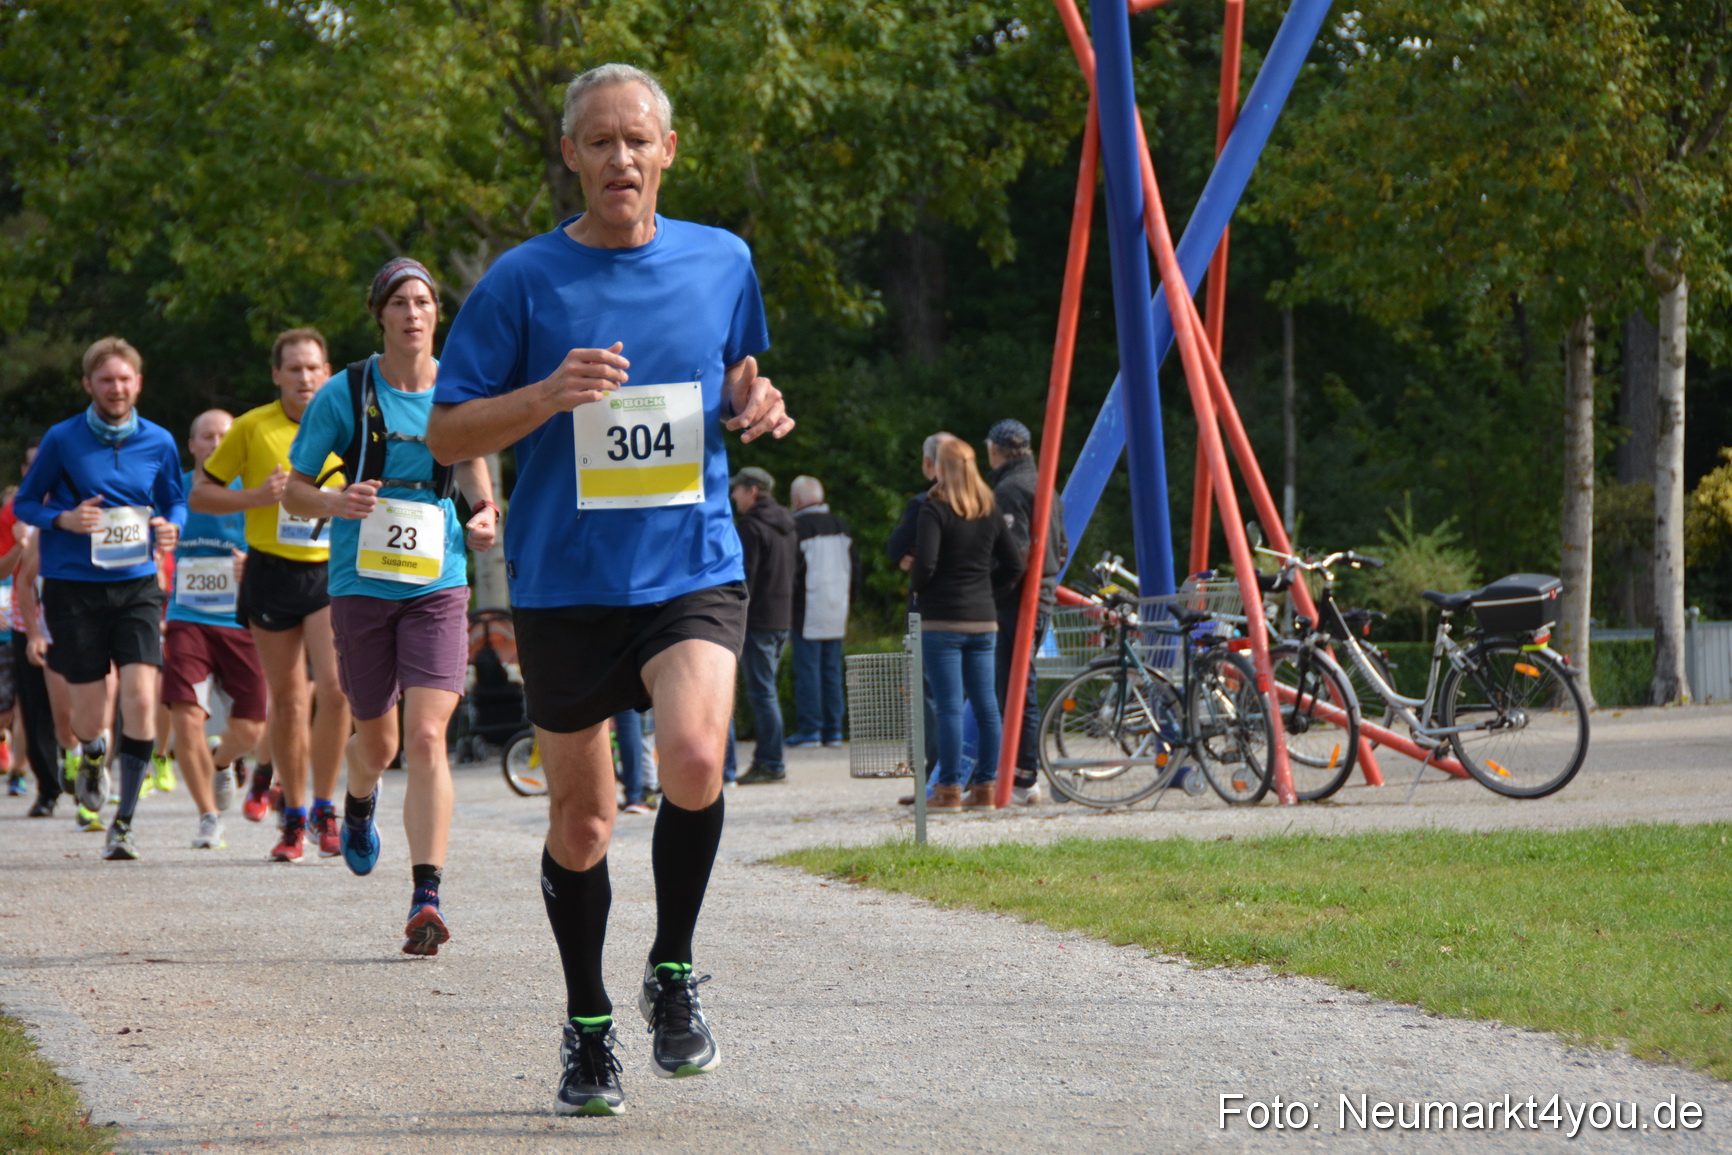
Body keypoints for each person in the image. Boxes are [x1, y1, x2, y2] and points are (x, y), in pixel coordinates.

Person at [426, 62, 791, 1117]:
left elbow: (734, 378)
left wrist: (755, 404)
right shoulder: (521, 282)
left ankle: (670, 970)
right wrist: (546, 394)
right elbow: (447, 431)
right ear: (571, 156)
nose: (620, 158)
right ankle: (588, 1024)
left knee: (692, 755)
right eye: (599, 141)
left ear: (668, 151)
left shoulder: (724, 259)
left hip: (689, 566)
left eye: (638, 140)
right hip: (566, 582)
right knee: (582, 826)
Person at [284, 256, 499, 956]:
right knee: (379, 742)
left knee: (430, 735)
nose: (413, 313)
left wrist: (485, 509)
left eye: (425, 302)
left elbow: (471, 461)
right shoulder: (346, 392)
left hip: (439, 580)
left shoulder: (457, 386)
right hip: (361, 585)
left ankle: (426, 893)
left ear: (438, 314)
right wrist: (332, 501)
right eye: (400, 302)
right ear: (379, 313)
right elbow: (291, 486)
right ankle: (356, 798)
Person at [13, 337, 186, 859]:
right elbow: (25, 502)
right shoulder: (63, 439)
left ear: (139, 383)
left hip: (135, 584)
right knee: (89, 717)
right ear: (89, 385)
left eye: (125, 379)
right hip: (73, 587)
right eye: (106, 380)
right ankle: (91, 753)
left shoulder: (159, 441)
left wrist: (169, 527)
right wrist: (63, 519)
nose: (117, 388)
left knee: (138, 699)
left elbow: (175, 500)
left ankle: (124, 824)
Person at [194, 328, 351, 862]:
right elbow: (202, 492)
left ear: (327, 371)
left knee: (334, 690)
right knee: (286, 701)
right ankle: (295, 815)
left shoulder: (348, 420)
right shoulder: (251, 426)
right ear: (276, 375)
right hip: (271, 571)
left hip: (332, 570)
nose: (305, 378)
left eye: (314, 367)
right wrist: (255, 496)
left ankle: (328, 806)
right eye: (295, 369)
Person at [164, 410, 268, 850]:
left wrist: (255, 565)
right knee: (186, 717)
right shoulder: (176, 490)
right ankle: (208, 817)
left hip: (242, 619)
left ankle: (223, 760)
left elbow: (284, 548)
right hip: (186, 617)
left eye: (224, 436)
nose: (215, 443)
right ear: (192, 445)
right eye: (206, 436)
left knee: (251, 730)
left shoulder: (257, 491)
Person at [909, 438, 1024, 811]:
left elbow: (925, 563)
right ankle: (985, 788)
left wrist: (918, 591)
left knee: (948, 707)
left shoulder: (935, 506)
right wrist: (989, 590)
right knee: (987, 706)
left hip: (942, 619)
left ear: (940, 467)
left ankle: (948, 790)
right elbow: (1014, 564)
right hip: (983, 620)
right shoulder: (988, 506)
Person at [985, 419, 1068, 806]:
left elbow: (1014, 556)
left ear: (994, 450)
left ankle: (1023, 774)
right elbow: (1062, 546)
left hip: (1019, 599)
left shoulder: (1009, 489)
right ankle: (1023, 772)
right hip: (1042, 594)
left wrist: (990, 590)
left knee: (1016, 686)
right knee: (1023, 683)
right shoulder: (1045, 484)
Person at [728, 467, 796, 785]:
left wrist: (733, 616)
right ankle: (771, 760)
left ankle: (770, 762)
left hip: (758, 619)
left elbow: (746, 578)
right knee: (766, 691)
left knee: (762, 693)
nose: (733, 496)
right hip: (782, 617)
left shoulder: (751, 527)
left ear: (752, 491)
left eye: (737, 490)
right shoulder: (788, 524)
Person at [785, 475, 855, 749]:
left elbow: (793, 572)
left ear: (797, 501)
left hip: (807, 610)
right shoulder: (842, 526)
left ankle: (810, 730)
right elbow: (855, 570)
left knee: (808, 672)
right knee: (832, 671)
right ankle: (834, 730)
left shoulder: (796, 527)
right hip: (837, 607)